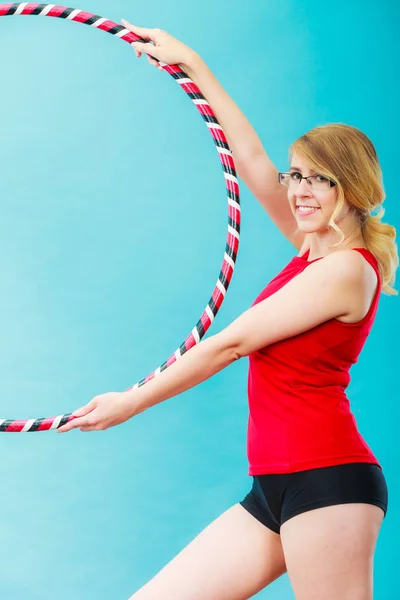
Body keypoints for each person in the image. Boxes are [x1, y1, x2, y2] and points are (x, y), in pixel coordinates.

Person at [58, 21, 398, 600]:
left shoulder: (346, 269)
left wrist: (131, 403)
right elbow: (256, 163)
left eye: (320, 179)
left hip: (326, 479)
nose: (299, 190)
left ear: (353, 189)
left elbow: (230, 343)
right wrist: (191, 62)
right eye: (298, 176)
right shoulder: (311, 248)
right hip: (273, 487)